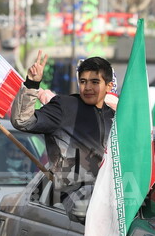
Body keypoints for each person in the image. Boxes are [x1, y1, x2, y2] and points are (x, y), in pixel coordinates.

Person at [10, 52, 115, 198]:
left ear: (109, 86)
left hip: (111, 196)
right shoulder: (64, 107)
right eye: (83, 81)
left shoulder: (114, 117)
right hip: (75, 199)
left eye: (95, 82)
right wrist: (32, 84)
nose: (88, 87)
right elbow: (22, 120)